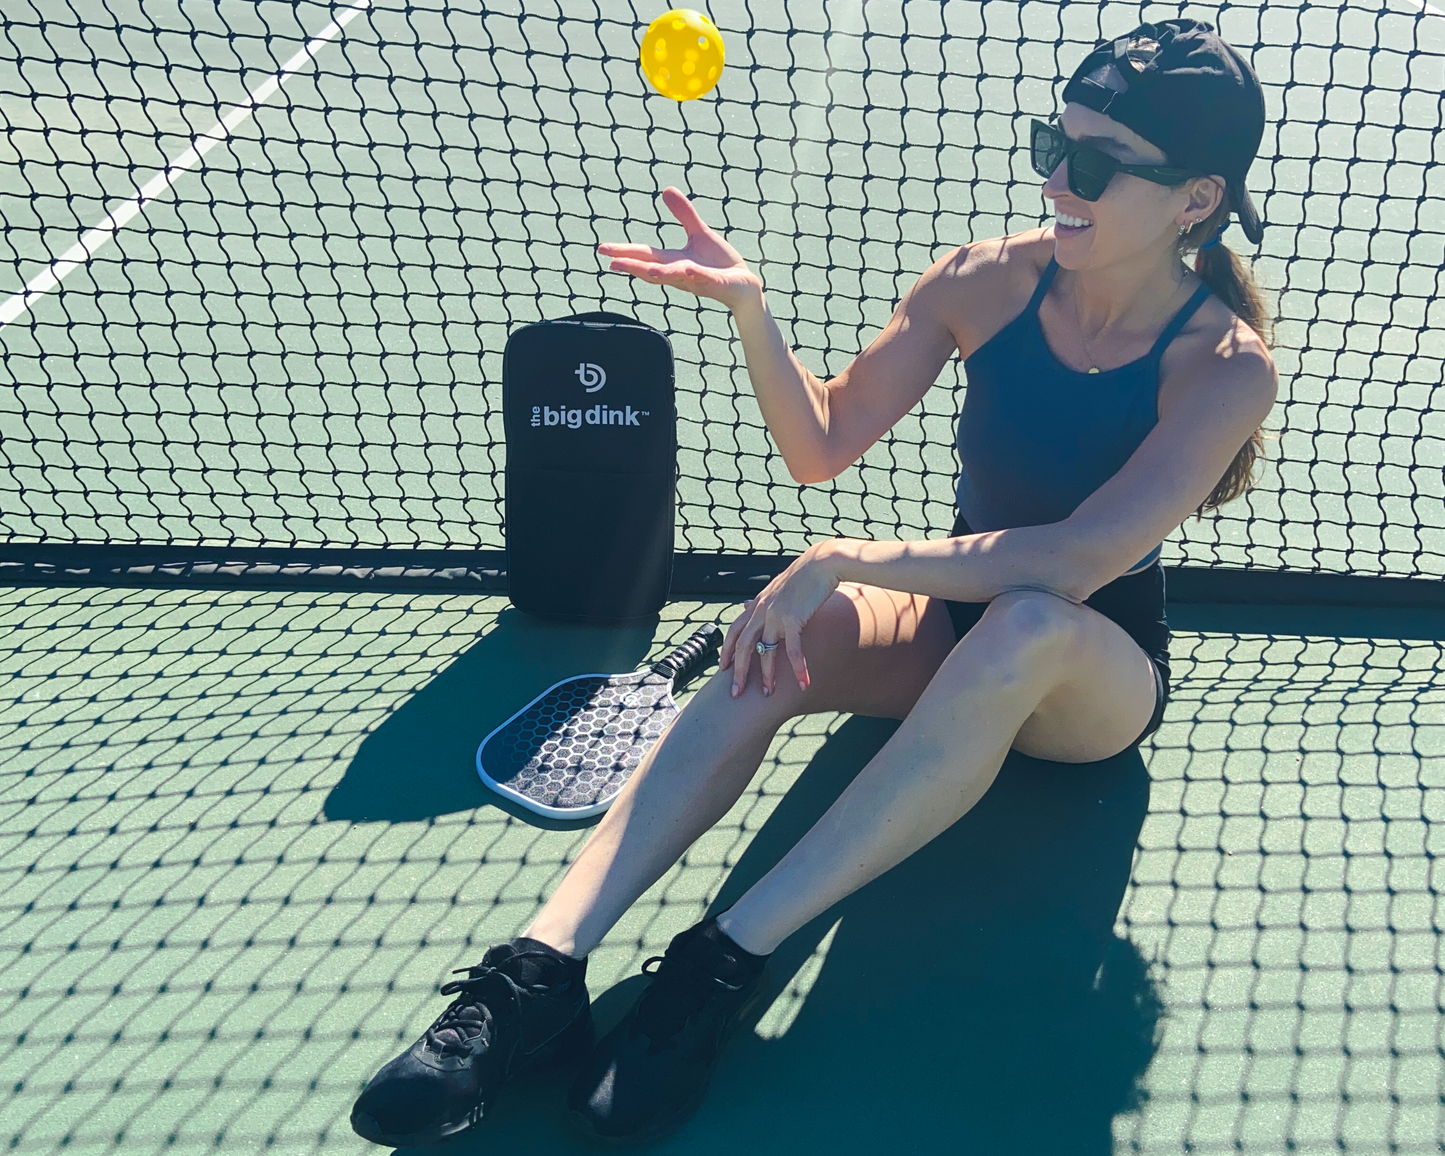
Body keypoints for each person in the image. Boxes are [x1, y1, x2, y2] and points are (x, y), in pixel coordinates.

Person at [350, 18, 1278, 1148]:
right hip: (952, 621)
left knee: (1024, 621)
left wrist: (848, 553)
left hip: (1091, 674)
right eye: (1051, 141)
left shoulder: (1222, 364)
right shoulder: (984, 280)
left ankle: (723, 959)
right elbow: (822, 441)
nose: (1053, 178)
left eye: (1091, 162)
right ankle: (541, 967)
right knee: (792, 633)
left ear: (1194, 198)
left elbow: (1077, 558)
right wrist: (752, 309)